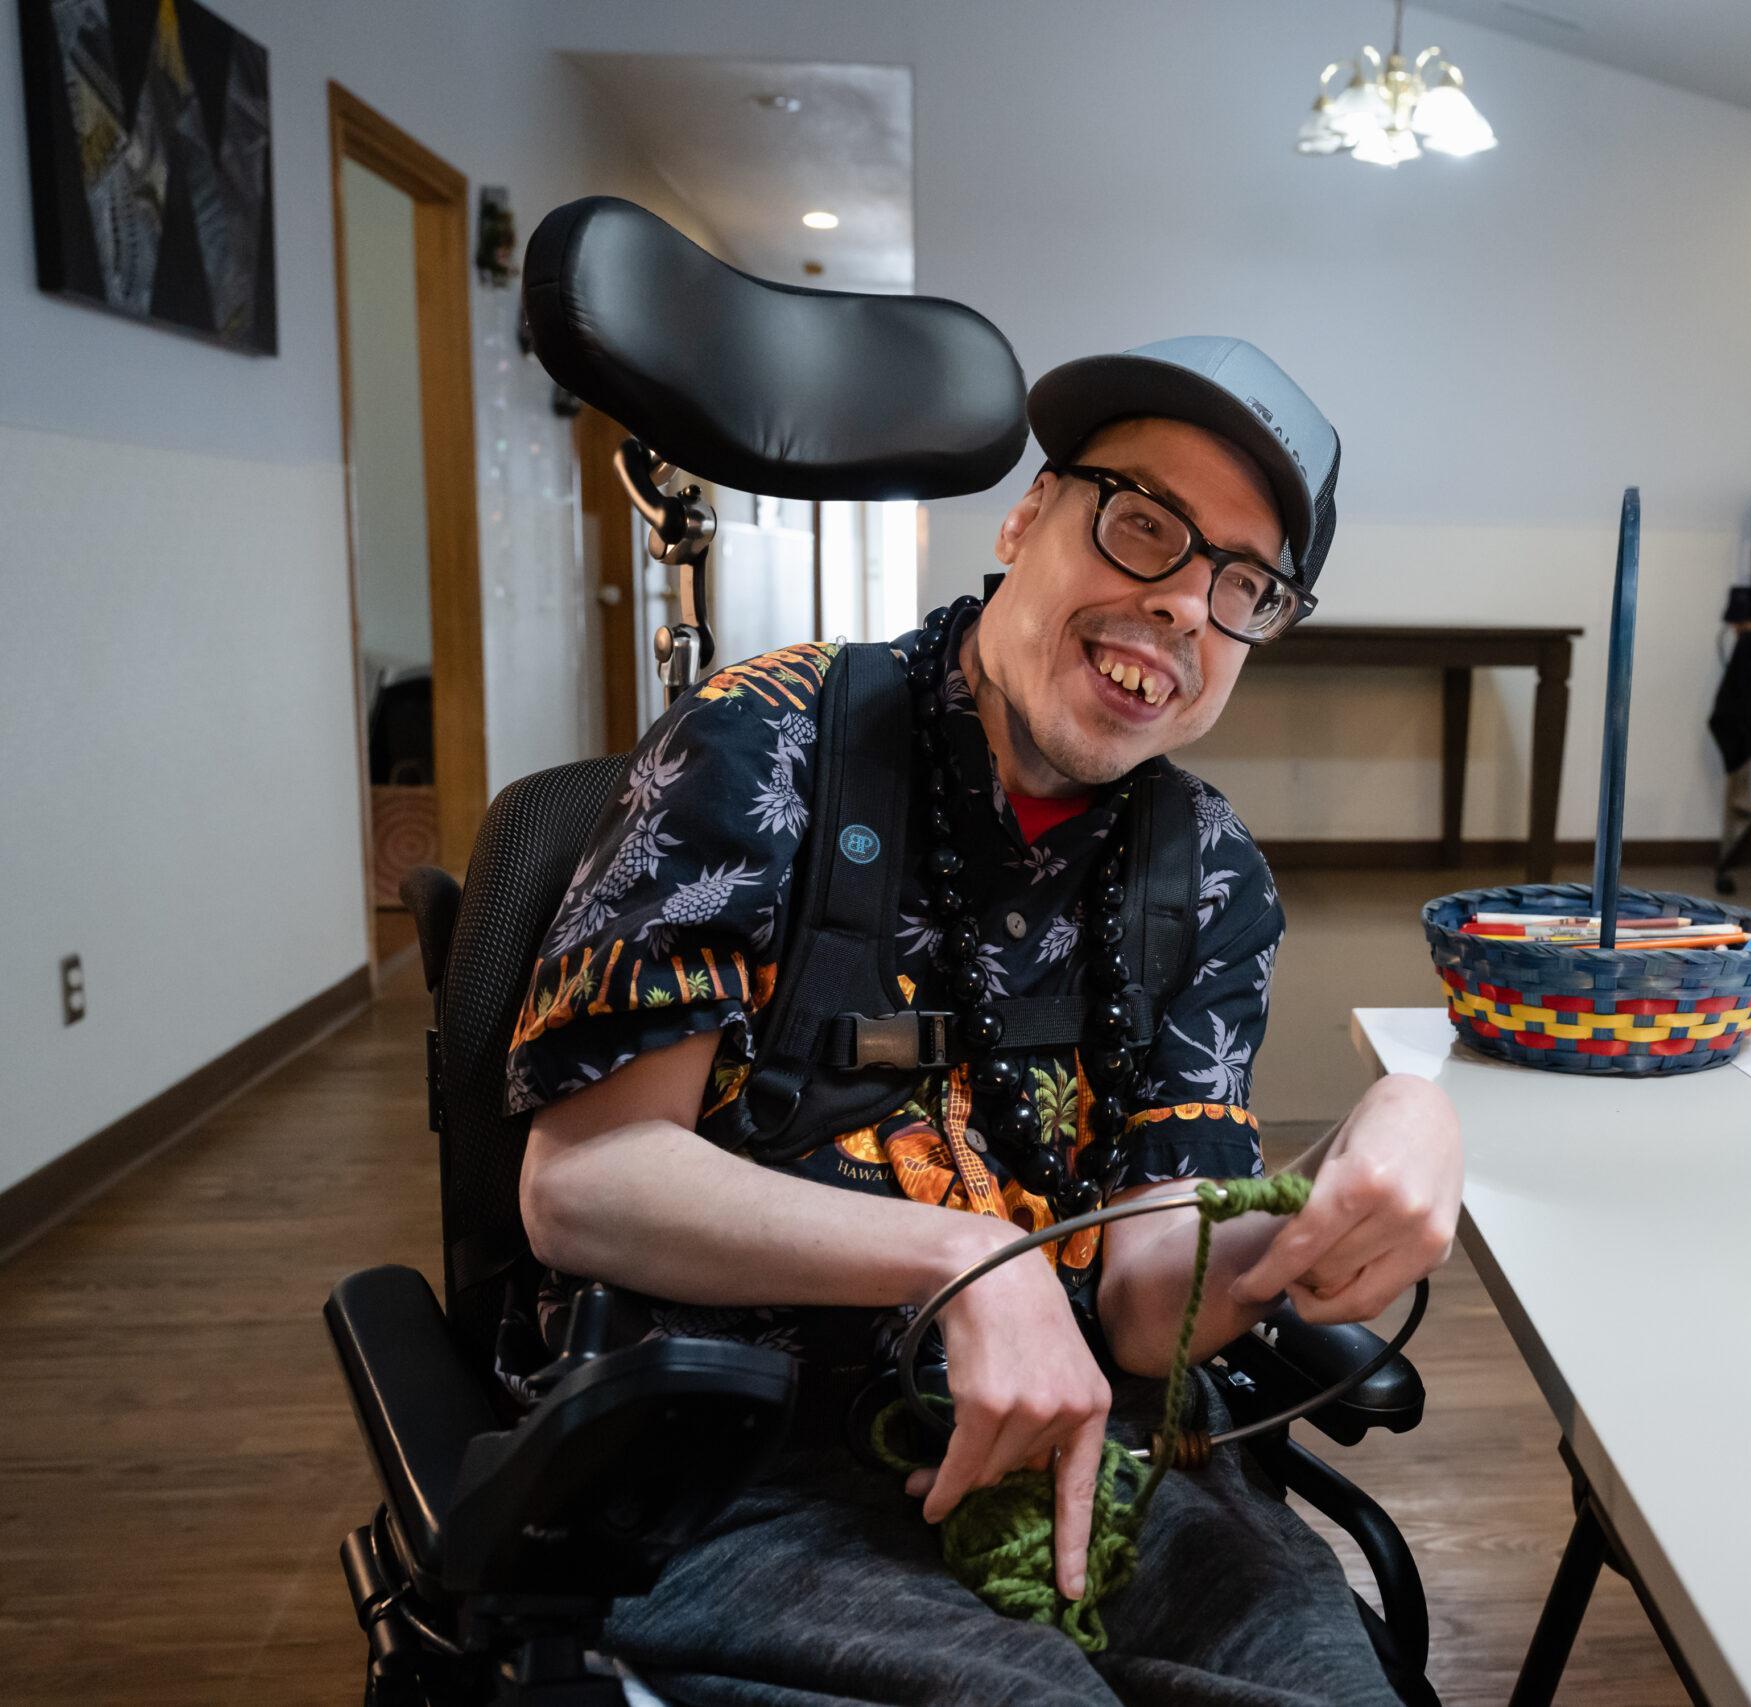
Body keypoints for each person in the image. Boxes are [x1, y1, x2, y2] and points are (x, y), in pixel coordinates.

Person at [505, 336, 1464, 1705]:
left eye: (1241, 585)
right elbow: (580, 1185)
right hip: (740, 1461)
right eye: (1144, 527)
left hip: (1099, 1441)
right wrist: (961, 1256)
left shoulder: (1207, 874)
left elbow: (1143, 1304)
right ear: (1025, 519)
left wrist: (1353, 1163)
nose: (1185, 606)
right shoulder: (766, 744)